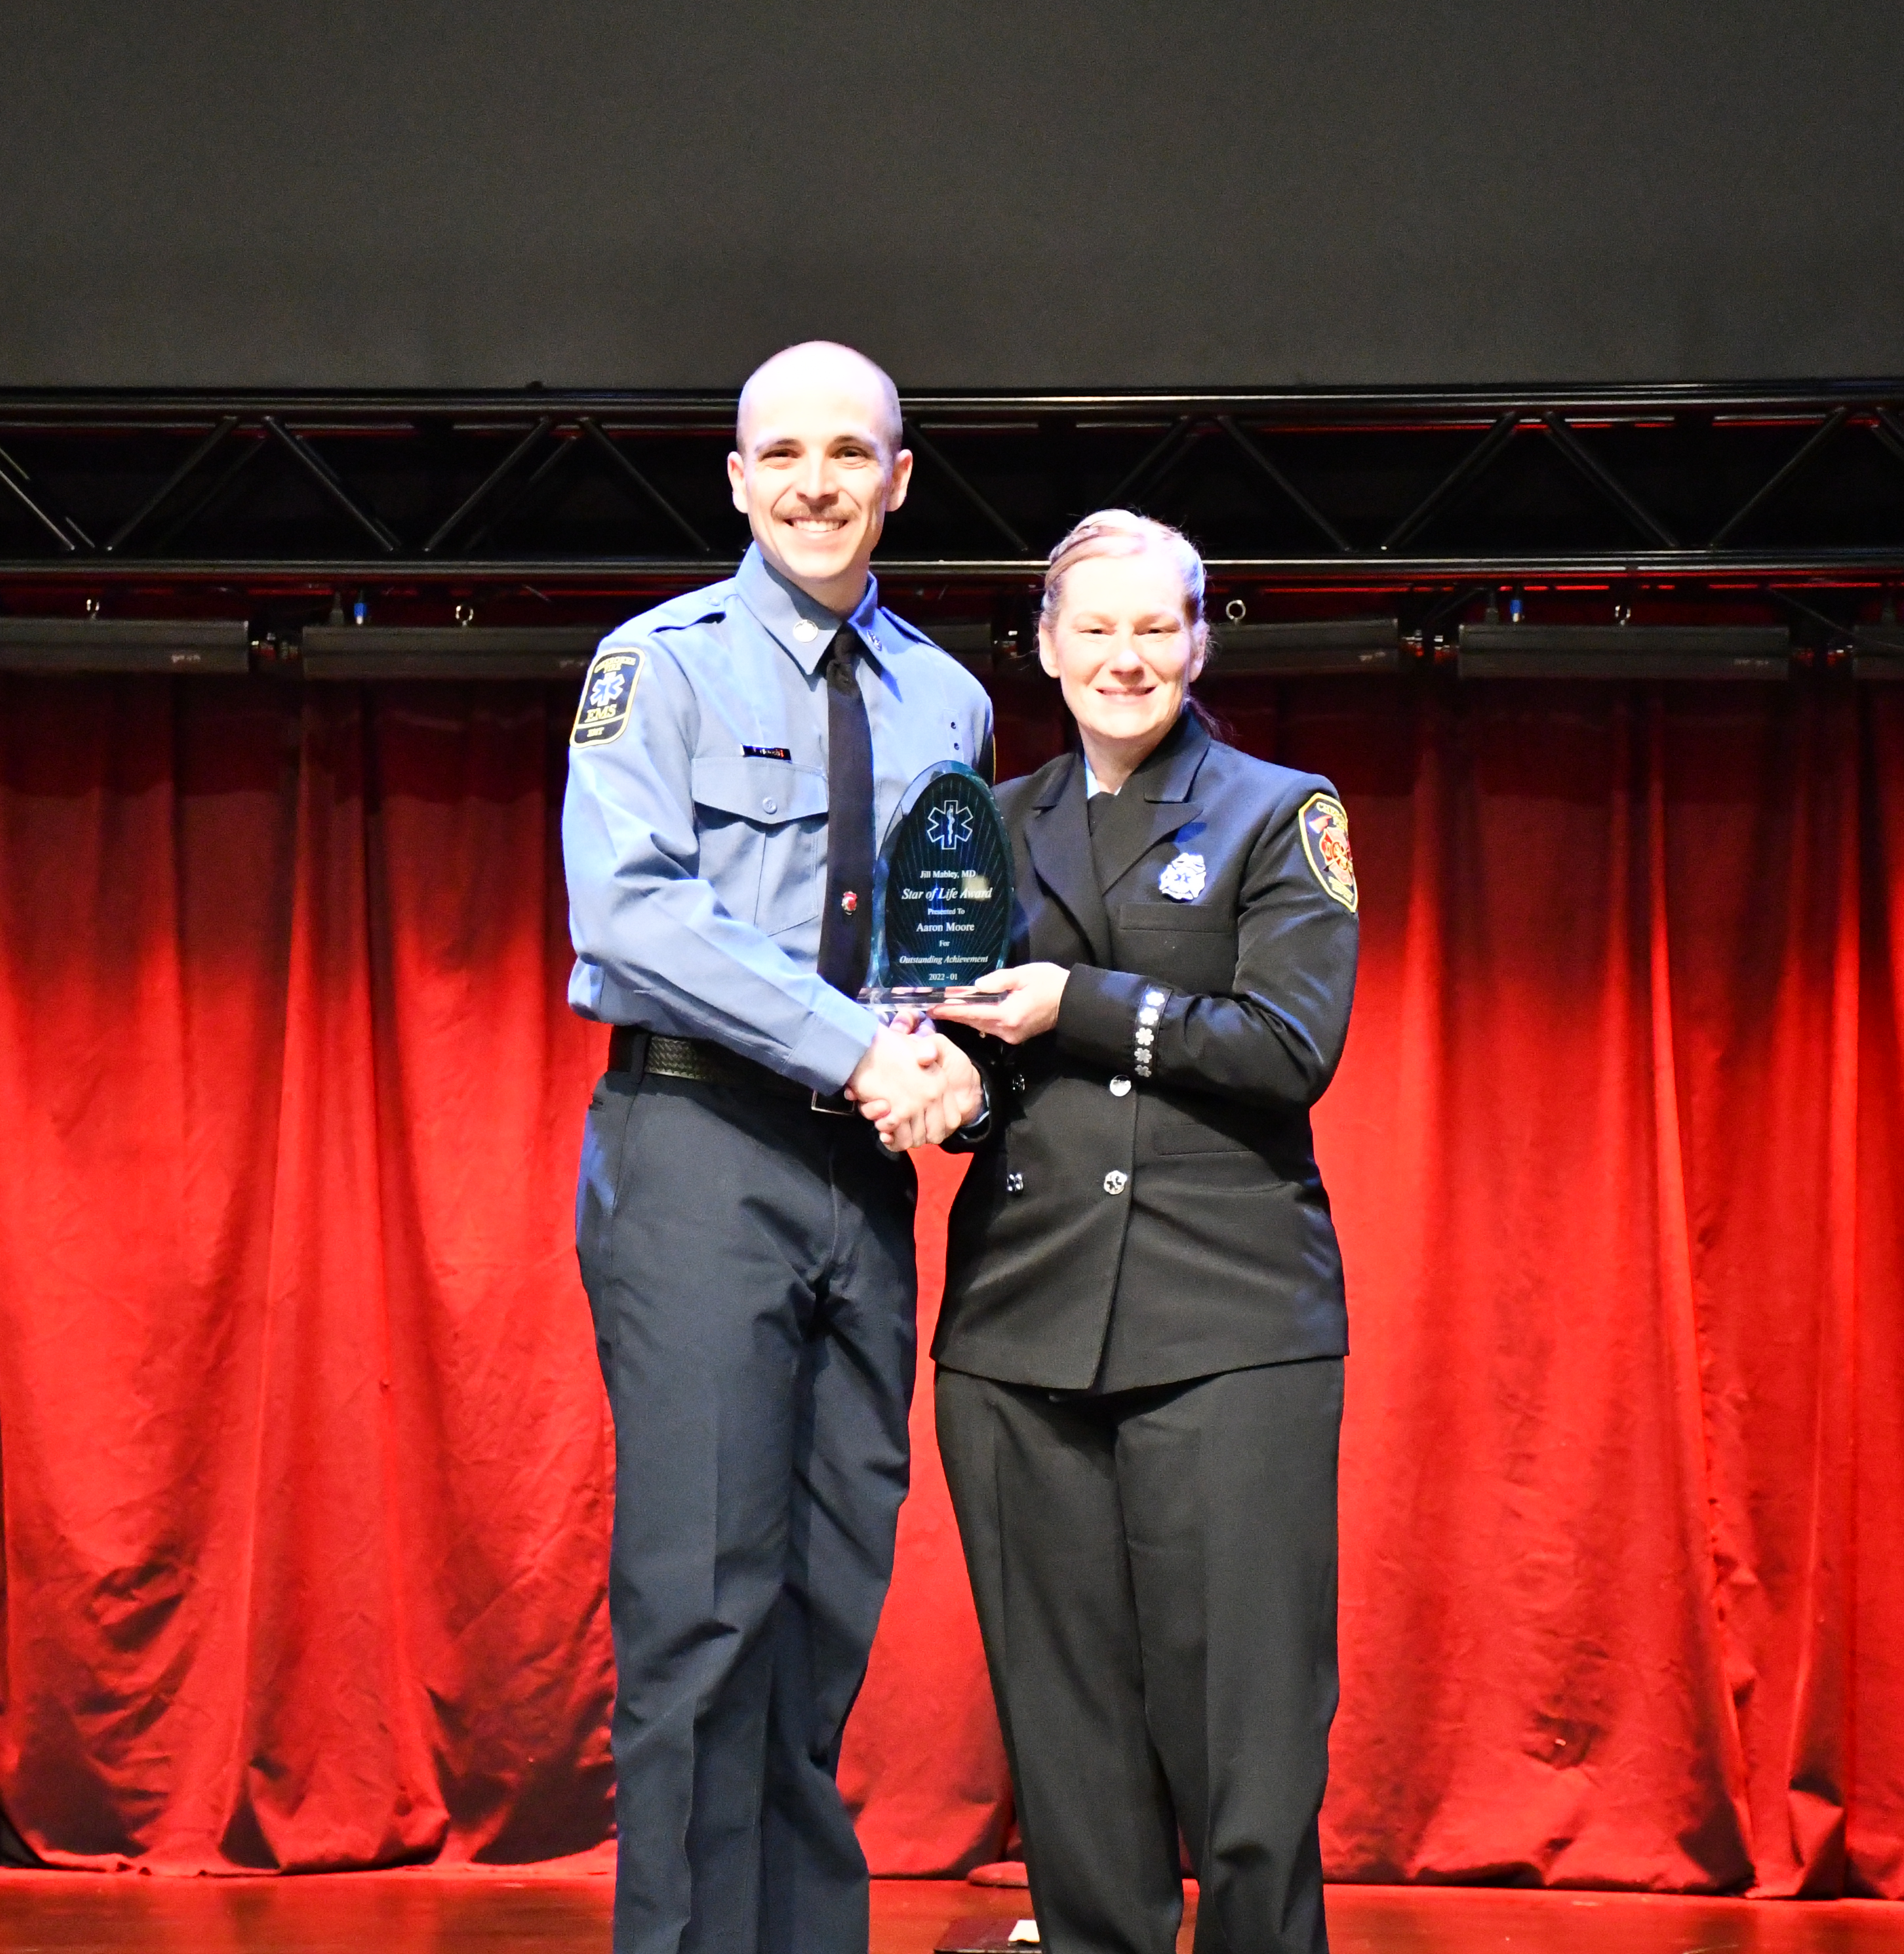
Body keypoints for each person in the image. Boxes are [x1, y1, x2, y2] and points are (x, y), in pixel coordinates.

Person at [563, 341, 993, 1954]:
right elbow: (631, 911)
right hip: (697, 1148)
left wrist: (940, 1051)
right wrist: (866, 1045)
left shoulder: (947, 695)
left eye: (849, 453)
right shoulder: (658, 665)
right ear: (738, 481)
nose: (816, 482)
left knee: (823, 1607)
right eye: (783, 454)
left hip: (860, 1182)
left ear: (899, 480)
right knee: (702, 1608)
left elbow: (941, 937)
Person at [929, 511, 1361, 1954]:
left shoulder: (1280, 810)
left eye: (1155, 627)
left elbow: (1289, 1047)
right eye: (1093, 629)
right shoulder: (987, 823)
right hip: (1020, 1320)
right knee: (1070, 1745)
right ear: (1046, 647)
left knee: (1246, 1741)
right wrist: (950, 1084)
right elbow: (982, 1061)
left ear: (1199, 640)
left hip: (1226, 1317)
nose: (1126, 657)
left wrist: (1077, 1006)